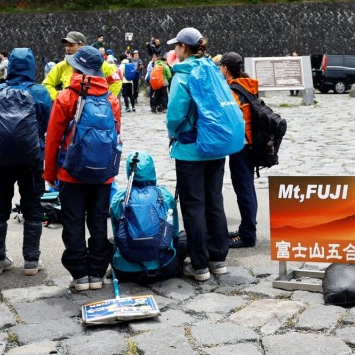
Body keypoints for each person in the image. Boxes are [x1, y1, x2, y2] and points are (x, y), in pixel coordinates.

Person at [43, 46, 122, 292]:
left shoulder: (67, 96)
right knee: (98, 221)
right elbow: (115, 136)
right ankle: (97, 273)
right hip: (103, 174)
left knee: (73, 222)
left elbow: (53, 139)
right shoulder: (110, 99)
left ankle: (80, 276)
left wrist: (49, 174)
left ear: (76, 68)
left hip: (71, 172)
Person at [165, 27, 229, 281]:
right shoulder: (214, 71)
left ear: (183, 48)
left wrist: (173, 134)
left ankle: (200, 265)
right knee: (214, 201)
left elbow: (175, 116)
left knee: (193, 205)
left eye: (176, 46)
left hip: (191, 149)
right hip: (215, 146)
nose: (174, 50)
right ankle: (218, 259)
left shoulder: (182, 76)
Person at [0, 48, 52, 278]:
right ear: (32, 66)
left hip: (0, 158)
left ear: (10, 65)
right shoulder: (40, 92)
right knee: (33, 209)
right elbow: (48, 124)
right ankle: (31, 261)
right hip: (31, 159)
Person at [109, 151, 184, 283]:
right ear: (152, 170)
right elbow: (174, 233)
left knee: (110, 242)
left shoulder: (119, 198)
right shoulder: (164, 195)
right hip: (165, 267)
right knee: (184, 238)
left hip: (125, 272)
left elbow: (118, 235)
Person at [219, 52, 259, 249]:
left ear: (225, 68)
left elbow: (230, 118)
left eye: (221, 66)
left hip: (241, 146)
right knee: (246, 188)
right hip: (249, 143)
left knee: (244, 190)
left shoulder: (234, 90)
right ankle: (246, 228)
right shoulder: (247, 84)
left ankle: (248, 235)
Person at [42, 32, 122, 100]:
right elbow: (46, 85)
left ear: (81, 45)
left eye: (71, 45)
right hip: (70, 112)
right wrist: (59, 97)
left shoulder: (99, 63)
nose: (67, 49)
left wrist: (106, 101)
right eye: (66, 45)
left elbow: (116, 81)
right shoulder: (62, 66)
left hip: (92, 113)